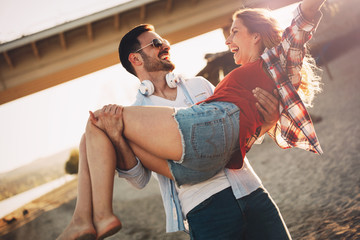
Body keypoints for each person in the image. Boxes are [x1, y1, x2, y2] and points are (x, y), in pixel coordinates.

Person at [58, 0, 326, 239]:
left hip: (250, 191)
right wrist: (117, 137)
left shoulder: (199, 85)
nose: (165, 45)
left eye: (163, 41)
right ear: (135, 59)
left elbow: (234, 132)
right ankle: (89, 218)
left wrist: (268, 122)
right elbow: (139, 179)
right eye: (155, 43)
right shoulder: (136, 111)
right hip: (204, 207)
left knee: (96, 125)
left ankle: (88, 218)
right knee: (100, 126)